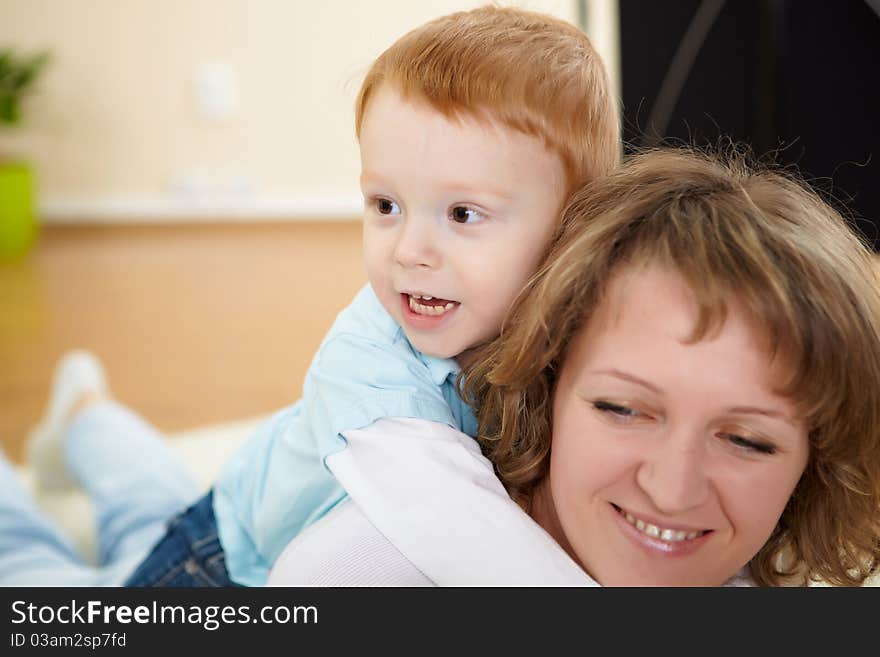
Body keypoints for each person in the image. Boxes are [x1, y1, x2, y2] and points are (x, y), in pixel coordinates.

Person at [17, 5, 619, 587]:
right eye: (386, 205)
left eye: (462, 213)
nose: (409, 249)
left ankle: (87, 414)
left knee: (145, 513)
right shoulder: (371, 375)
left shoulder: (587, 327)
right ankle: (74, 433)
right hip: (219, 564)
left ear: (574, 227)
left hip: (246, 496)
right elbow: (470, 537)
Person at [267, 147, 880, 586]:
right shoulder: (363, 574)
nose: (672, 490)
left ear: (815, 462)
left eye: (746, 441)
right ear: (545, 381)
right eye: (622, 409)